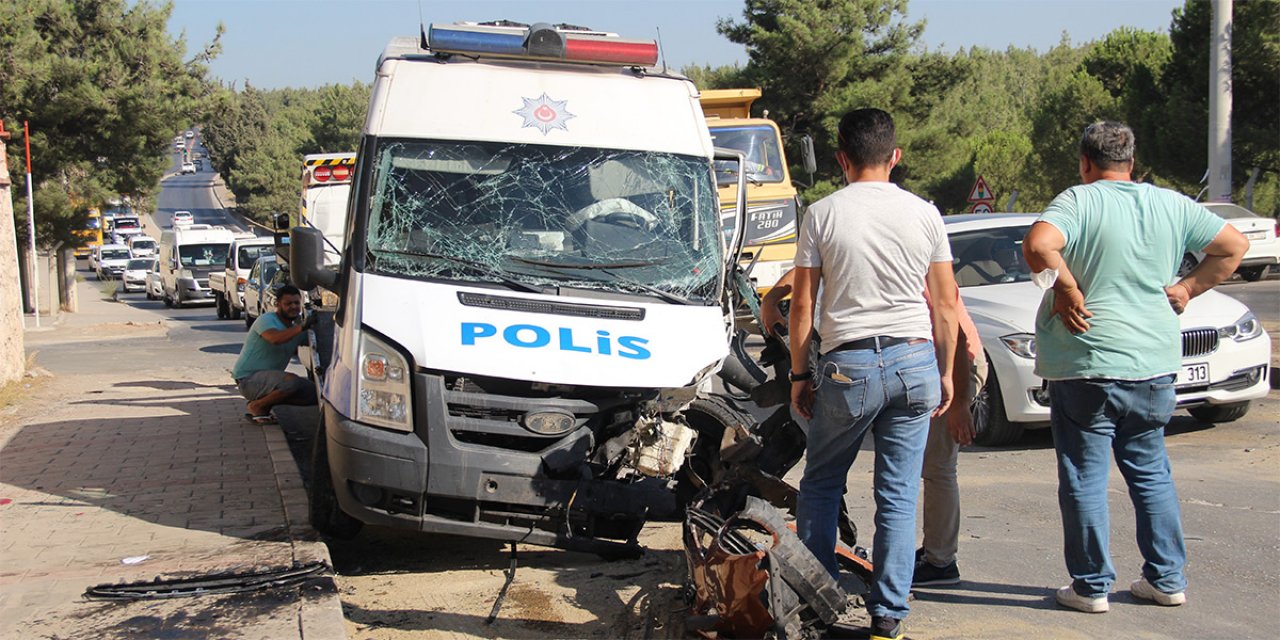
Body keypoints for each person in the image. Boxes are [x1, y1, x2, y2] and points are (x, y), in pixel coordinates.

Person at [1022, 121, 1247, 614]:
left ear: (1085, 162)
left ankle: (1090, 587)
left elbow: (1039, 245)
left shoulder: (1078, 201)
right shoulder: (1171, 204)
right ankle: (1166, 579)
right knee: (1150, 472)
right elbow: (1234, 247)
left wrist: (1067, 288)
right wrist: (1186, 288)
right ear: (1132, 162)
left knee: (1084, 476)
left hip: (1087, 361)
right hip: (1152, 361)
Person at [789, 108, 959, 640]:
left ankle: (817, 605)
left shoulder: (822, 214)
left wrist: (799, 374)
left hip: (850, 366)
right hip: (915, 361)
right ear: (896, 156)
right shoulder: (926, 214)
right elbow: (946, 304)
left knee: (821, 483)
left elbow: (802, 305)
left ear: (841, 158)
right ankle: (888, 616)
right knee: (898, 494)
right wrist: (946, 372)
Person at [765, 269, 989, 589]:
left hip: (953, 364)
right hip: (912, 364)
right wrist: (773, 297)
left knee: (935, 468)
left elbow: (957, 332)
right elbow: (813, 263)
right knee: (897, 483)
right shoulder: (877, 252)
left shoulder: (916, 264)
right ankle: (898, 583)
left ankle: (940, 562)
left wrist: (960, 403)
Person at [232, 285, 318, 423]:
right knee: (291, 382)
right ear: (278, 304)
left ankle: (267, 404)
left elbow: (316, 342)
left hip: (270, 381)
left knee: (315, 394)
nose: (293, 307)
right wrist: (302, 326)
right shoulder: (266, 320)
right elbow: (275, 339)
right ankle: (257, 406)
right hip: (248, 380)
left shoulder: (294, 328)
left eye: (296, 303)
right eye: (288, 304)